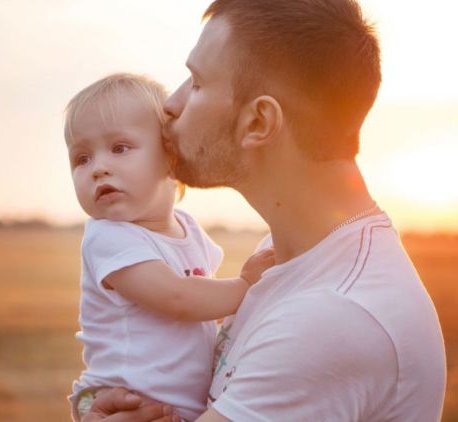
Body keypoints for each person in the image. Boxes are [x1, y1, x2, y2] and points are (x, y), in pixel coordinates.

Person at [83, 0, 447, 421]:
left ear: (258, 122)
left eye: (197, 83)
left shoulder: (333, 316)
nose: (171, 104)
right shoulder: (290, 252)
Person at [64, 73, 275, 422]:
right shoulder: (109, 236)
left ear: (171, 157)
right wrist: (245, 287)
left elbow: (205, 305)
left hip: (174, 406)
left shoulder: (188, 230)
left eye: (119, 148)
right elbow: (177, 298)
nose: (98, 168)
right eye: (81, 158)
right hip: (125, 402)